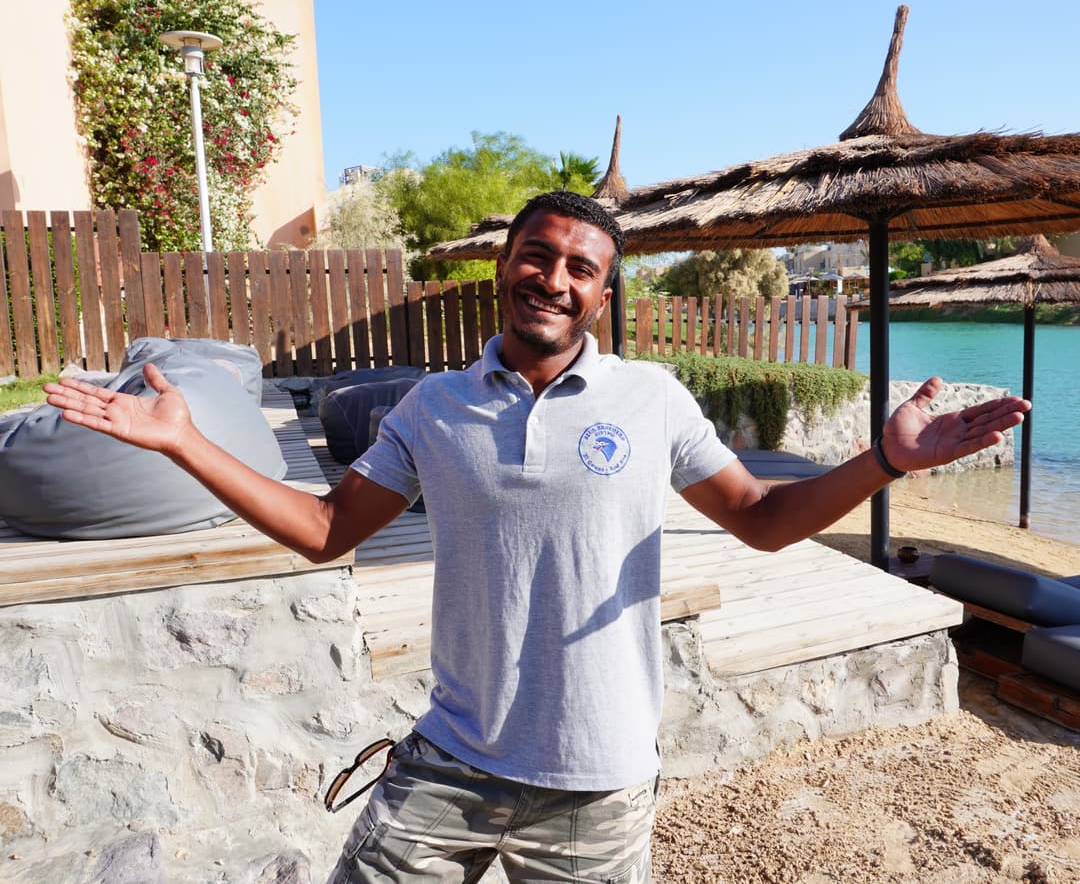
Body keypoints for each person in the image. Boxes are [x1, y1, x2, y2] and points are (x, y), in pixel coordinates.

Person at [45, 191, 1030, 883]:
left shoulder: (652, 399)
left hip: (596, 783)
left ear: (601, 292)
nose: (553, 278)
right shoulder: (434, 408)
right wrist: (183, 442)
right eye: (537, 255)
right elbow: (325, 528)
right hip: (450, 758)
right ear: (505, 266)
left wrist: (885, 463)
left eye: (580, 267)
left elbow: (765, 523)